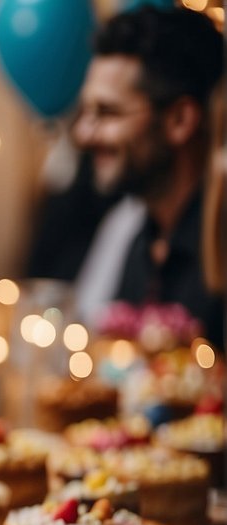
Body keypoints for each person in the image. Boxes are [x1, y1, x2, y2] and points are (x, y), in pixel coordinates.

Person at [71, 6, 224, 346]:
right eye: (85, 112)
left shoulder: (218, 248)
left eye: (106, 112)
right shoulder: (131, 235)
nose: (83, 134)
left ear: (180, 120)